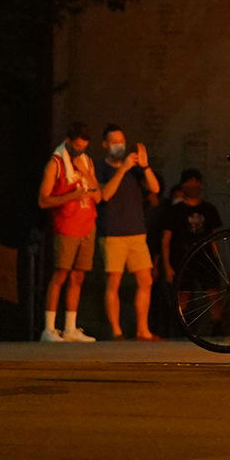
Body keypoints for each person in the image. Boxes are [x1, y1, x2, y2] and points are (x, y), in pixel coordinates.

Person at [37, 122, 101, 342]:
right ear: (68, 142)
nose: (80, 151)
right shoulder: (55, 163)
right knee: (60, 275)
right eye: (76, 146)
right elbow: (43, 200)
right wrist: (71, 196)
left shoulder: (87, 162)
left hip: (86, 225)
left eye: (84, 147)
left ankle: (70, 328)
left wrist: (86, 173)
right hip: (66, 225)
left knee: (78, 277)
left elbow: (98, 196)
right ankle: (49, 329)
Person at [95, 126, 161, 340]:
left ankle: (143, 329)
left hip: (136, 232)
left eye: (122, 140)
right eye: (114, 141)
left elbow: (155, 188)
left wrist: (146, 166)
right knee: (114, 281)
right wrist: (122, 169)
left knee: (146, 280)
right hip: (113, 232)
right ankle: (116, 331)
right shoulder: (101, 168)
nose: (119, 145)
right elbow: (104, 194)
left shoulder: (135, 168)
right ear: (105, 145)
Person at [158, 172, 222, 315]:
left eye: (196, 183)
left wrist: (217, 259)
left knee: (214, 293)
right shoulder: (174, 210)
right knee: (183, 293)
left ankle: (217, 328)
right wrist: (167, 266)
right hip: (182, 256)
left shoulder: (209, 209)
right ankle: (181, 326)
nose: (193, 186)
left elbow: (213, 236)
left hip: (206, 257)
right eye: (189, 183)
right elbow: (166, 239)